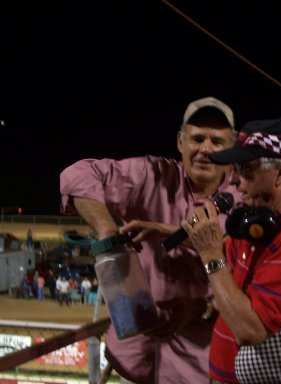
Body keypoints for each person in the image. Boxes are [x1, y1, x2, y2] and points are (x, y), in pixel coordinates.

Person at [59, 96, 242, 383]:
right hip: (132, 362)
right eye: (196, 138)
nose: (205, 149)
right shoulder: (153, 175)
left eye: (217, 141)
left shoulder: (244, 197)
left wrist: (199, 309)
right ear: (180, 142)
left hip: (200, 363)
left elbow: (231, 251)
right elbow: (78, 174)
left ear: (232, 147)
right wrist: (107, 230)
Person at [181, 118, 281, 383]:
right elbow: (218, 257)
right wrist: (156, 231)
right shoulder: (256, 228)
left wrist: (210, 253)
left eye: (246, 170)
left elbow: (250, 330)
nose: (236, 182)